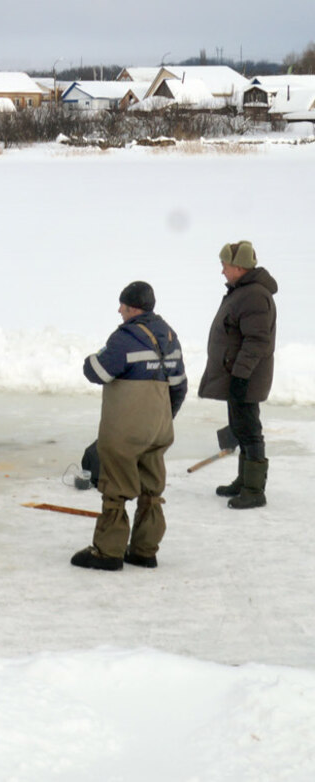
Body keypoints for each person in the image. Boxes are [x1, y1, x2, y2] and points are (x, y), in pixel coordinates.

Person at [70, 281, 187, 572]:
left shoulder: (125, 337)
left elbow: (97, 372)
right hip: (159, 428)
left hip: (126, 429)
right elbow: (179, 385)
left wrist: (91, 358)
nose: (119, 310)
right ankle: (144, 551)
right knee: (151, 489)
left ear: (133, 308)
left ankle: (108, 552)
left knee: (116, 487)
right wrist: (163, 418)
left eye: (122, 305)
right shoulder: (169, 336)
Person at [199, 241, 278, 510]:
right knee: (241, 427)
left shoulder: (254, 295)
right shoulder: (243, 291)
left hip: (246, 376)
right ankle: (244, 481)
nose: (222, 270)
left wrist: (241, 376)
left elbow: (257, 341)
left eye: (225, 265)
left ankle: (254, 490)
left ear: (239, 267)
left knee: (250, 430)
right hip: (237, 374)